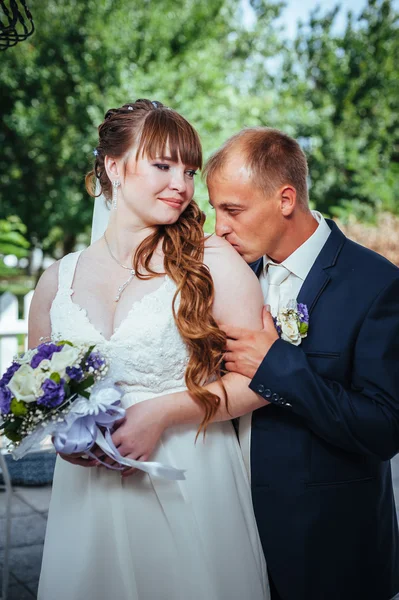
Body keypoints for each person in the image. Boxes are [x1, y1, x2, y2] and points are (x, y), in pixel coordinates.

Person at [117, 127, 399, 600]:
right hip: (226, 535)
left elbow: (385, 428)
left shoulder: (375, 284)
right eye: (215, 209)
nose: (218, 227)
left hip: (327, 550)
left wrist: (279, 366)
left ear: (285, 199)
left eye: (233, 210)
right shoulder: (230, 276)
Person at [29, 100, 270, 600]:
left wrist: (161, 413)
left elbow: (262, 381)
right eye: (162, 165)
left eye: (188, 170)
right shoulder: (58, 279)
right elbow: (38, 393)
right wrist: (65, 438)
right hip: (89, 493)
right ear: (114, 167)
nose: (181, 183)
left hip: (190, 475)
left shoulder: (213, 264)